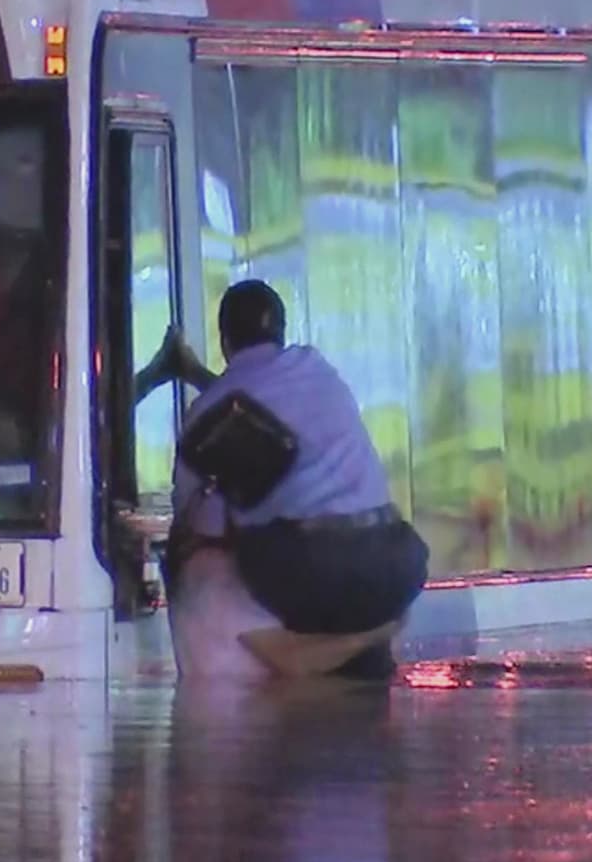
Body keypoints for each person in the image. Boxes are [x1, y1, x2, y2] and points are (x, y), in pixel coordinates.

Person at [140, 279, 429, 680]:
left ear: (224, 341)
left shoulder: (207, 414)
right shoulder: (319, 370)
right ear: (281, 330)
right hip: (396, 564)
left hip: (305, 567)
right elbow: (268, 401)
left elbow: (188, 513)